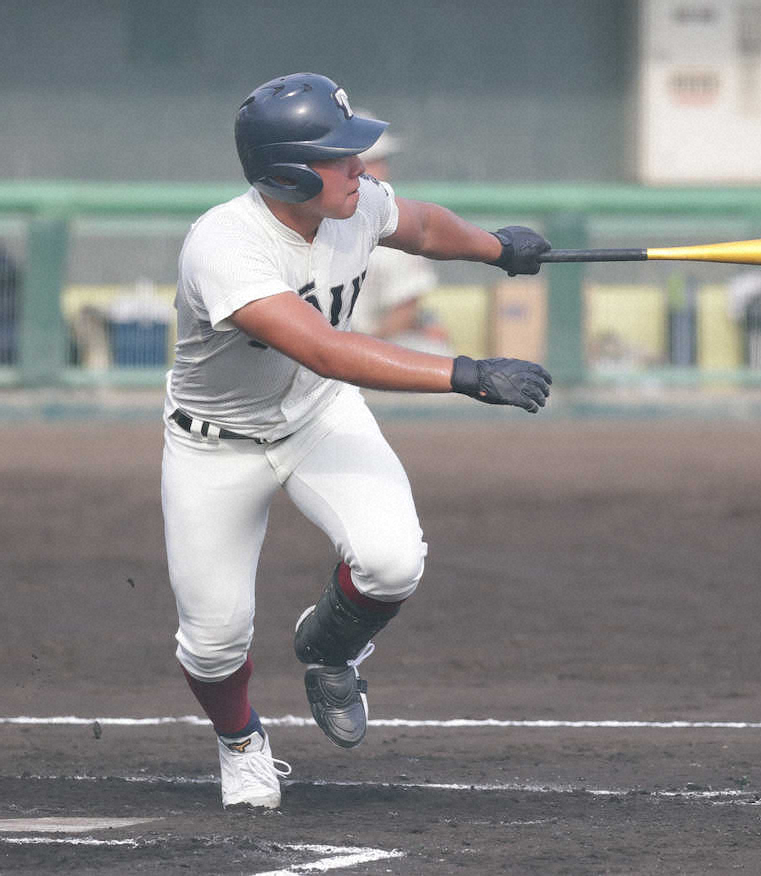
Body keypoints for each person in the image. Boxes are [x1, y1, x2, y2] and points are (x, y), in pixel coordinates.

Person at [161, 72, 552, 810]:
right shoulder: (224, 246)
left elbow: (424, 226)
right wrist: (465, 373)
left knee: (392, 562)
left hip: (318, 416)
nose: (360, 168)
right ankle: (241, 741)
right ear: (285, 173)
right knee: (213, 642)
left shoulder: (351, 204)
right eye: (339, 157)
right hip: (215, 446)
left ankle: (330, 652)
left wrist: (495, 248)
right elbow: (324, 349)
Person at [349, 119, 453, 355]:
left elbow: (407, 309)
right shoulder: (314, 224)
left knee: (437, 351)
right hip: (333, 352)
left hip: (369, 347)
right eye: (371, 162)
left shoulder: (393, 220)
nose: (381, 170)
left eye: (380, 162)